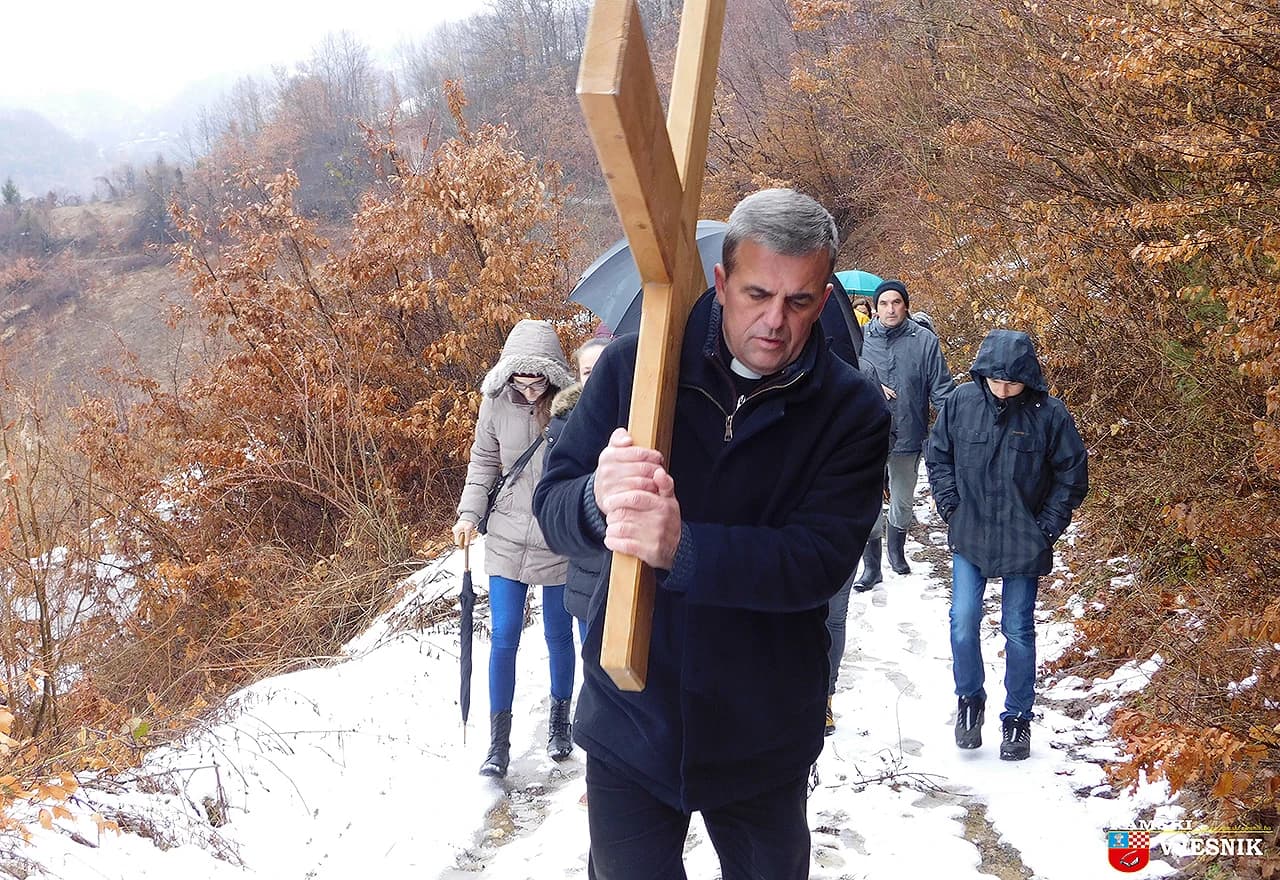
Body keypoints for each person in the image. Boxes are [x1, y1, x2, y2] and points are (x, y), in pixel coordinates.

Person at [534, 188, 891, 879]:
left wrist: (682, 548)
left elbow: (818, 562)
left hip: (764, 726)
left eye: (800, 301)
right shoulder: (637, 370)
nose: (775, 322)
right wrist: (596, 500)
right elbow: (552, 510)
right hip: (631, 716)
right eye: (758, 293)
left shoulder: (850, 411)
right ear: (722, 281)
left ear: (826, 298)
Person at [926, 329, 1088, 761]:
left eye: (1011, 383)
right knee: (962, 620)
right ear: (982, 375)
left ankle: (1017, 717)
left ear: (1027, 378)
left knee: (1017, 629)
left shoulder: (1048, 414)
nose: (1002, 390)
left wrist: (1046, 527)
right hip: (971, 530)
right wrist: (951, 507)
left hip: (1023, 537)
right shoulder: (962, 402)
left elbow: (1072, 474)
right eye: (995, 382)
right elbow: (938, 455)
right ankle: (969, 699)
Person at [452, 318, 577, 778]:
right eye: (520, 380)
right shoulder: (493, 403)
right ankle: (497, 744)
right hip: (505, 535)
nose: (527, 389)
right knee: (503, 634)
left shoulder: (569, 409)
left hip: (555, 536)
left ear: (551, 374)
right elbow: (483, 461)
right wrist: (469, 514)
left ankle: (561, 722)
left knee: (557, 635)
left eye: (536, 380)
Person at [853, 279, 955, 589]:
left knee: (901, 499)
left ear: (905, 306)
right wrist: (870, 383)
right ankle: (872, 567)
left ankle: (896, 551)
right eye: (883, 303)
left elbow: (941, 388)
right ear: (876, 308)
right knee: (866, 500)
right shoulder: (860, 338)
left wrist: (956, 425)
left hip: (909, 433)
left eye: (896, 302)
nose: (890, 309)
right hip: (866, 435)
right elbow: (843, 373)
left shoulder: (923, 340)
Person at [546, 336, 613, 644]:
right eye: (587, 371)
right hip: (588, 558)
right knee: (592, 654)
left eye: (602, 367)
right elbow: (557, 489)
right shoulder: (565, 424)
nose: (595, 376)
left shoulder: (641, 411)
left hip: (626, 560)